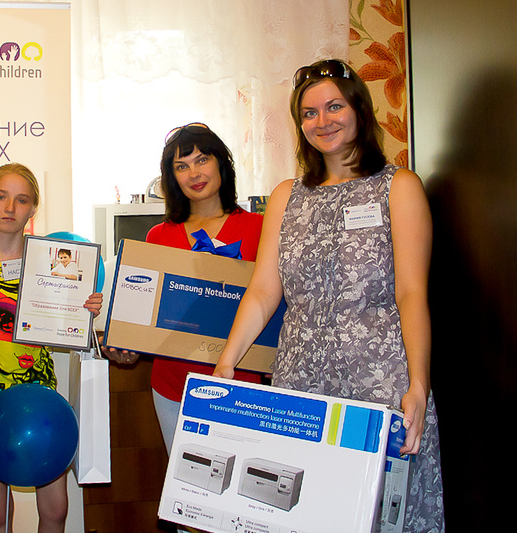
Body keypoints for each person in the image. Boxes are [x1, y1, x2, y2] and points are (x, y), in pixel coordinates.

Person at [213, 59, 444, 531]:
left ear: (359, 108)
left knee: (381, 514)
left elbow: (411, 294)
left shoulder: (398, 188)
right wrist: (227, 361)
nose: (323, 121)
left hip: (378, 383)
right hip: (299, 383)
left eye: (334, 106)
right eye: (309, 112)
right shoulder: (286, 196)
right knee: (301, 507)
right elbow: (264, 291)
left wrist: (418, 384)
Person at [105, 123, 265, 454]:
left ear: (221, 163)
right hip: (173, 386)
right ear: (172, 177)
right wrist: (126, 347)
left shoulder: (260, 228)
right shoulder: (158, 237)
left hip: (241, 383)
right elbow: (145, 317)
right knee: (187, 479)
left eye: (202, 160)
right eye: (181, 166)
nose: (194, 173)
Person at [0, 162, 102, 533]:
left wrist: (84, 310)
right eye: (1, 196)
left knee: (56, 509)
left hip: (38, 391)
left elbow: (63, 325)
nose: (10, 207)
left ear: (33, 209)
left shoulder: (50, 261)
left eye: (22, 200)